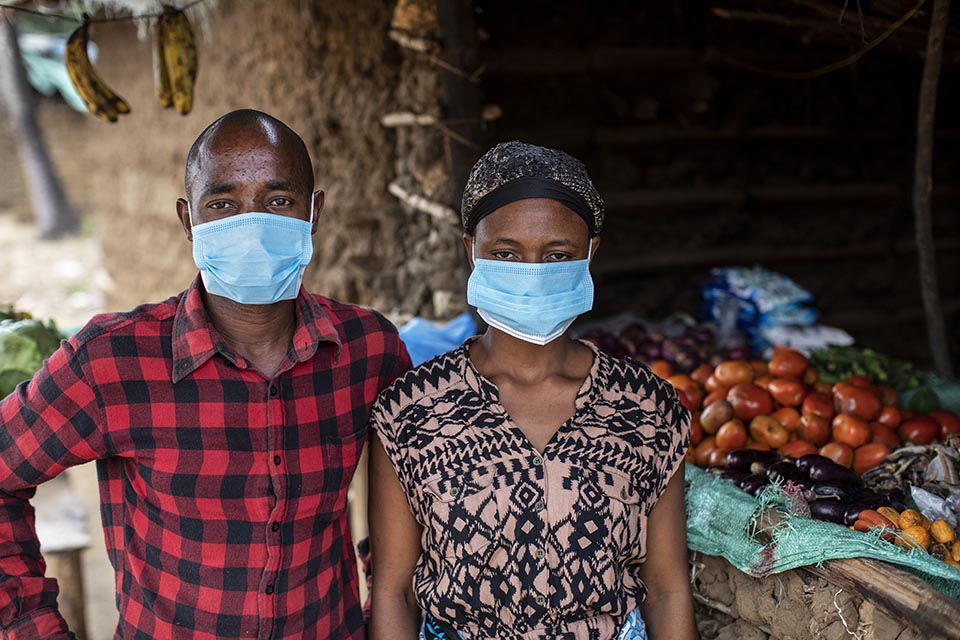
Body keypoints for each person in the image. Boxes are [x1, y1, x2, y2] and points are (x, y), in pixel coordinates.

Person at [0, 109, 410, 639]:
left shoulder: (368, 351)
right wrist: (31, 626)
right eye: (222, 203)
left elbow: (407, 515)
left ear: (315, 212)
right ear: (187, 219)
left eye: (278, 200)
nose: (252, 221)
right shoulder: (113, 361)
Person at [367, 141, 696, 640]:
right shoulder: (411, 409)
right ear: (469, 250)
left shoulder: (647, 408)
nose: (532, 273)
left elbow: (668, 589)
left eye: (557, 254)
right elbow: (393, 593)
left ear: (591, 254)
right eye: (506, 253)